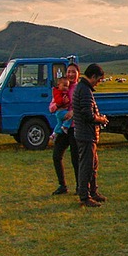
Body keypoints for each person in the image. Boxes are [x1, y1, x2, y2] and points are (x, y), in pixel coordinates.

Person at [73, 63, 109, 208]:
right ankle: (85, 196)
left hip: (85, 134)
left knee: (92, 165)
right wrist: (101, 119)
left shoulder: (81, 88)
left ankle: (93, 192)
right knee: (87, 166)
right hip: (86, 134)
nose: (98, 83)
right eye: (98, 80)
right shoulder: (85, 91)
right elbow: (88, 114)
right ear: (93, 76)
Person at [48, 62, 81, 196]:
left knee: (75, 158)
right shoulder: (60, 87)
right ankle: (62, 185)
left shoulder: (80, 88)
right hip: (63, 128)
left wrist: (72, 113)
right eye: (69, 72)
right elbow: (51, 106)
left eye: (73, 72)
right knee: (56, 156)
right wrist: (57, 106)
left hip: (74, 128)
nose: (71, 74)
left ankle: (80, 186)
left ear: (78, 74)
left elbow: (84, 106)